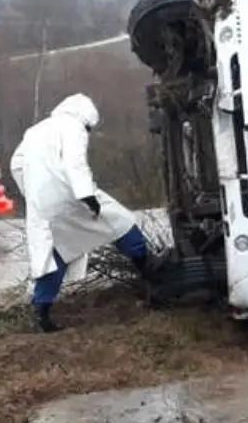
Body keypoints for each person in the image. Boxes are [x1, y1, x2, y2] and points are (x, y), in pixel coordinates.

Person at [9, 94, 156, 333]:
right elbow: (74, 163)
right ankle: (150, 276)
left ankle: (42, 313)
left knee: (55, 252)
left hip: (43, 205)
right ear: (85, 118)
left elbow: (16, 164)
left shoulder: (36, 130)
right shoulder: (73, 126)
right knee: (122, 222)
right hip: (71, 196)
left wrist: (33, 194)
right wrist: (87, 195)